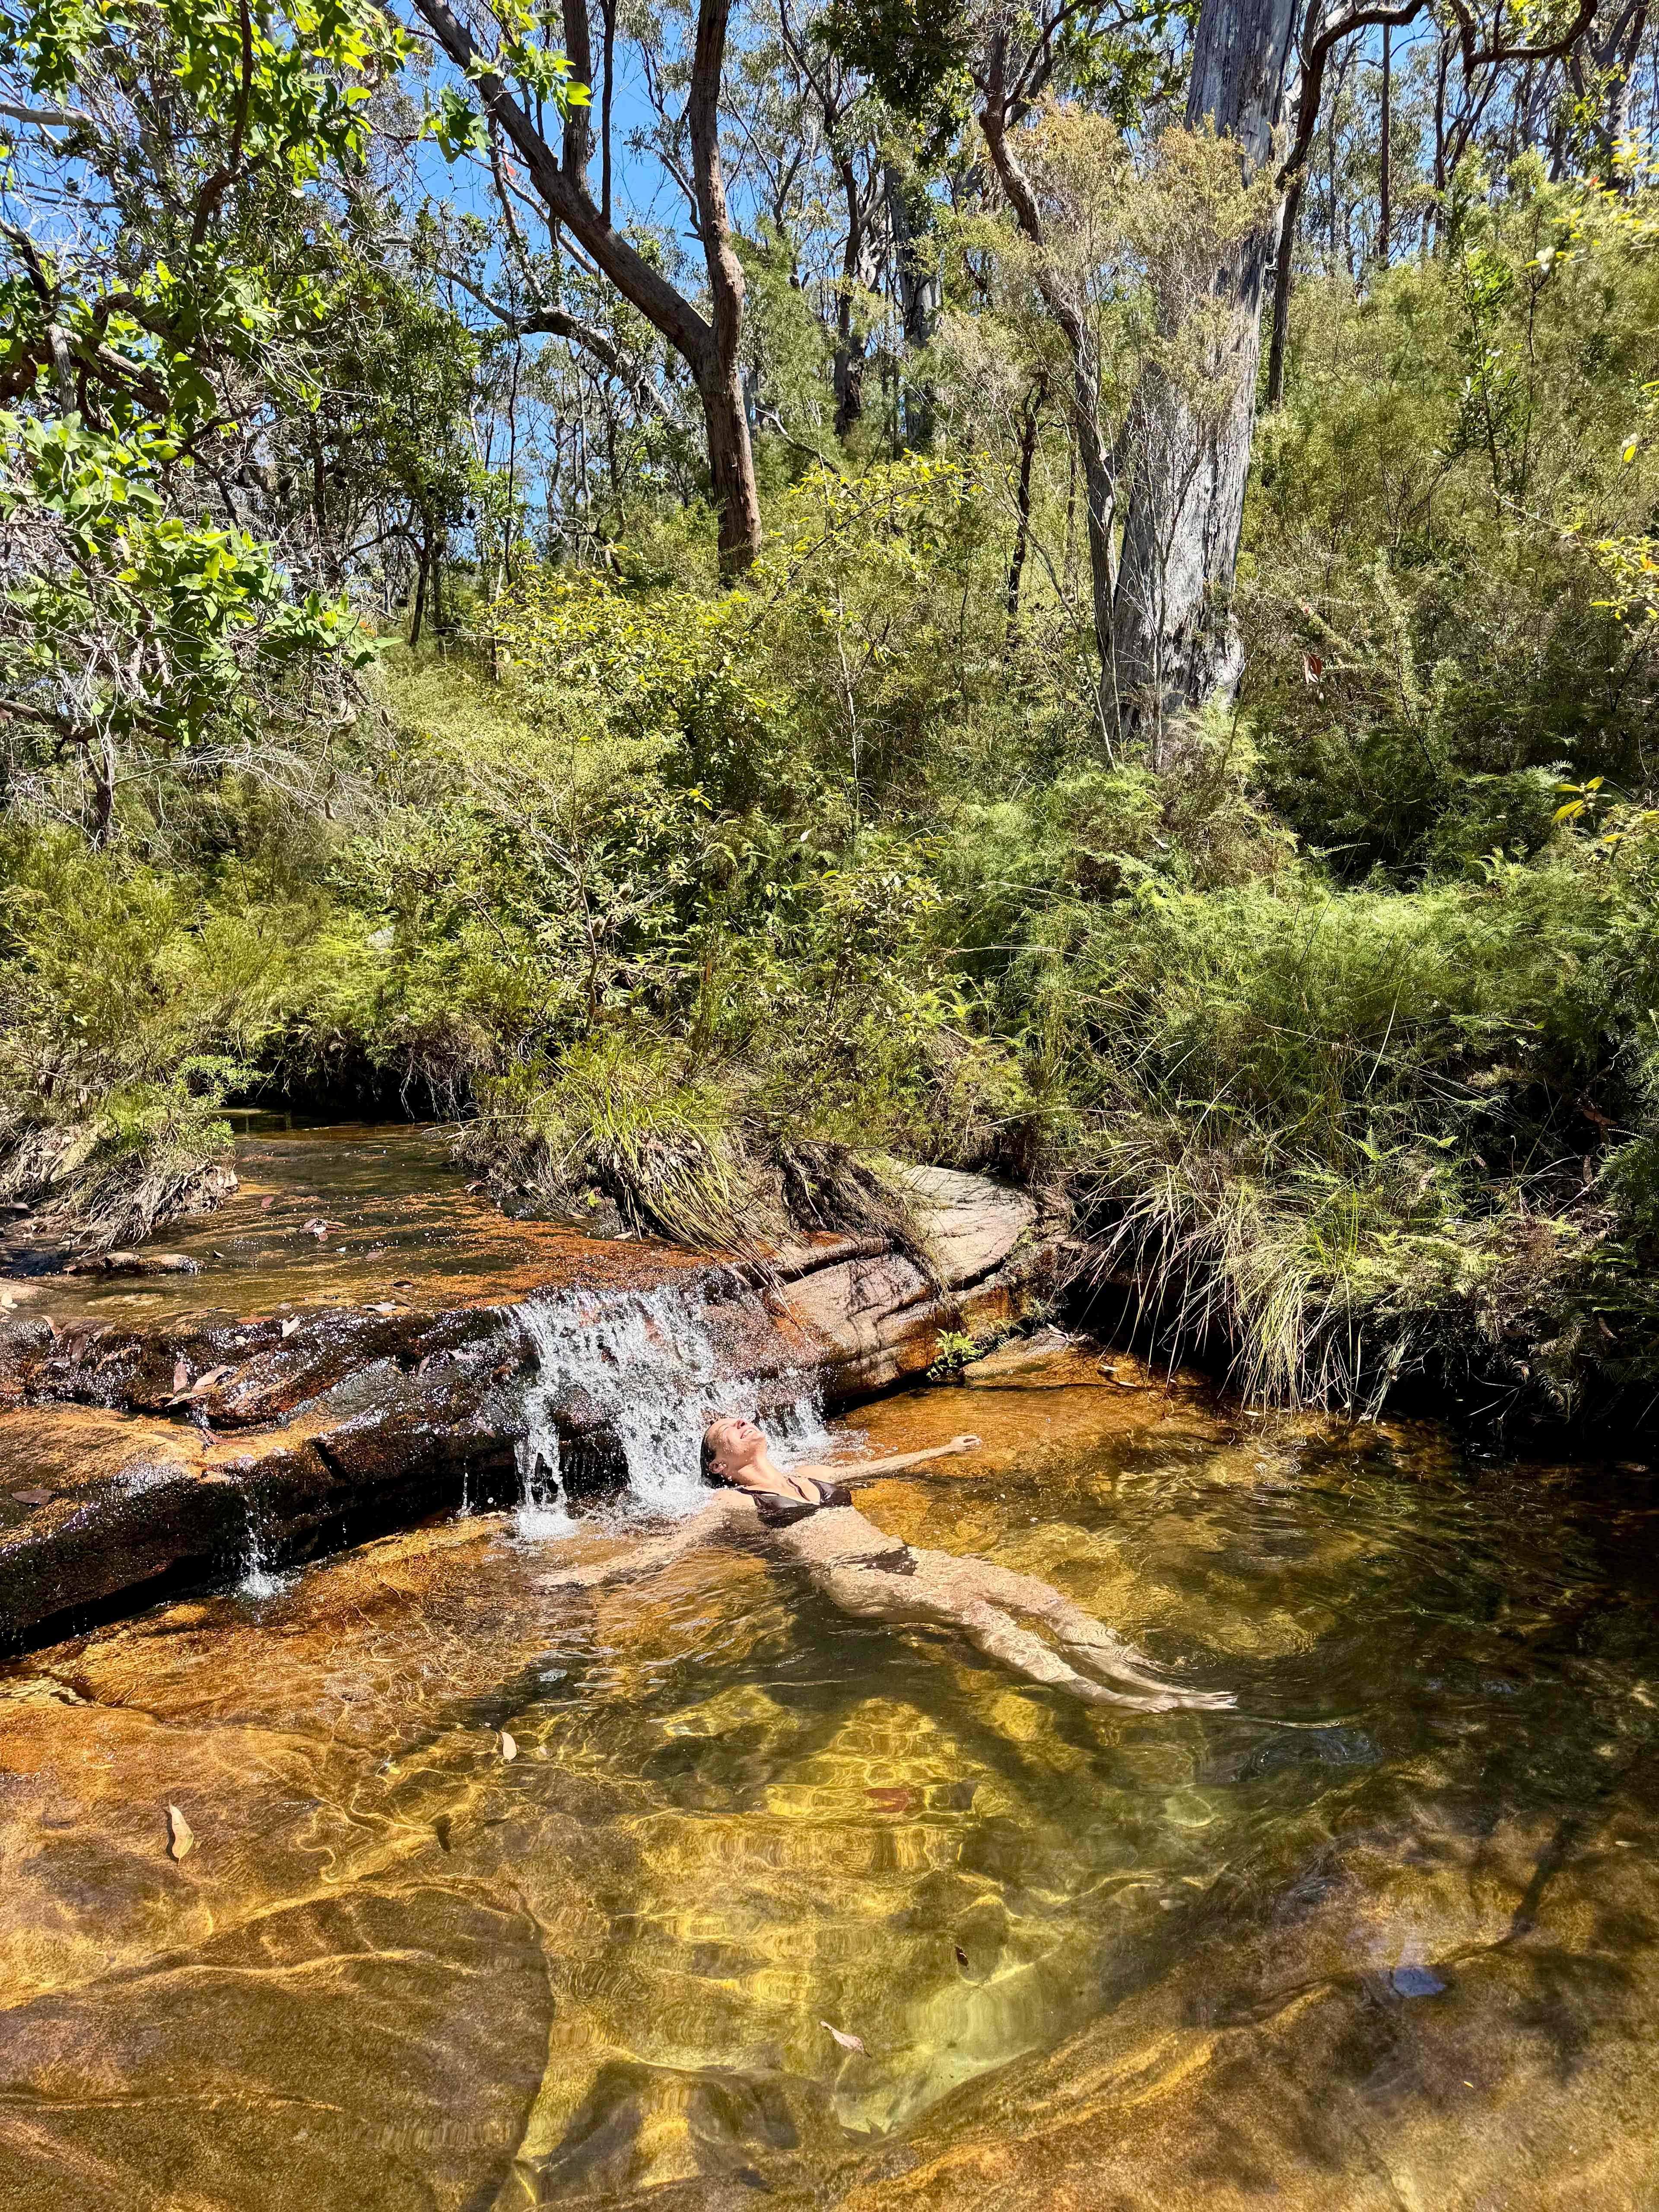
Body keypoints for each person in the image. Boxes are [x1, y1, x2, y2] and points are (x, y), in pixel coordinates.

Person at [538, 1415, 1233, 1713]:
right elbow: (664, 1555)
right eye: (726, 1433)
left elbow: (881, 1464)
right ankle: (1104, 1697)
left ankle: (1133, 1668)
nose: (741, 1423)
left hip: (905, 1557)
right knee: (971, 1612)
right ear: (719, 1464)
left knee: (1035, 1591)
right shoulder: (731, 1506)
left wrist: (946, 1451)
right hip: (855, 1582)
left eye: (743, 1419)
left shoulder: (812, 1469)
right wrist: (585, 1578)